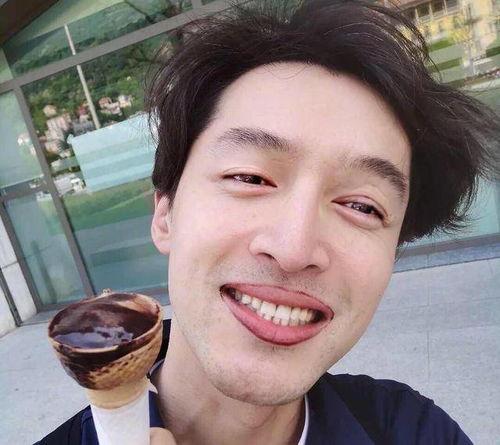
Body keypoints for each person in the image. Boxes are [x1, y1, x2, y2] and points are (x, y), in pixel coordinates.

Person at [38, 0, 499, 443]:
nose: (294, 248)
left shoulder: (414, 431)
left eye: (362, 206)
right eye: (250, 177)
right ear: (165, 215)